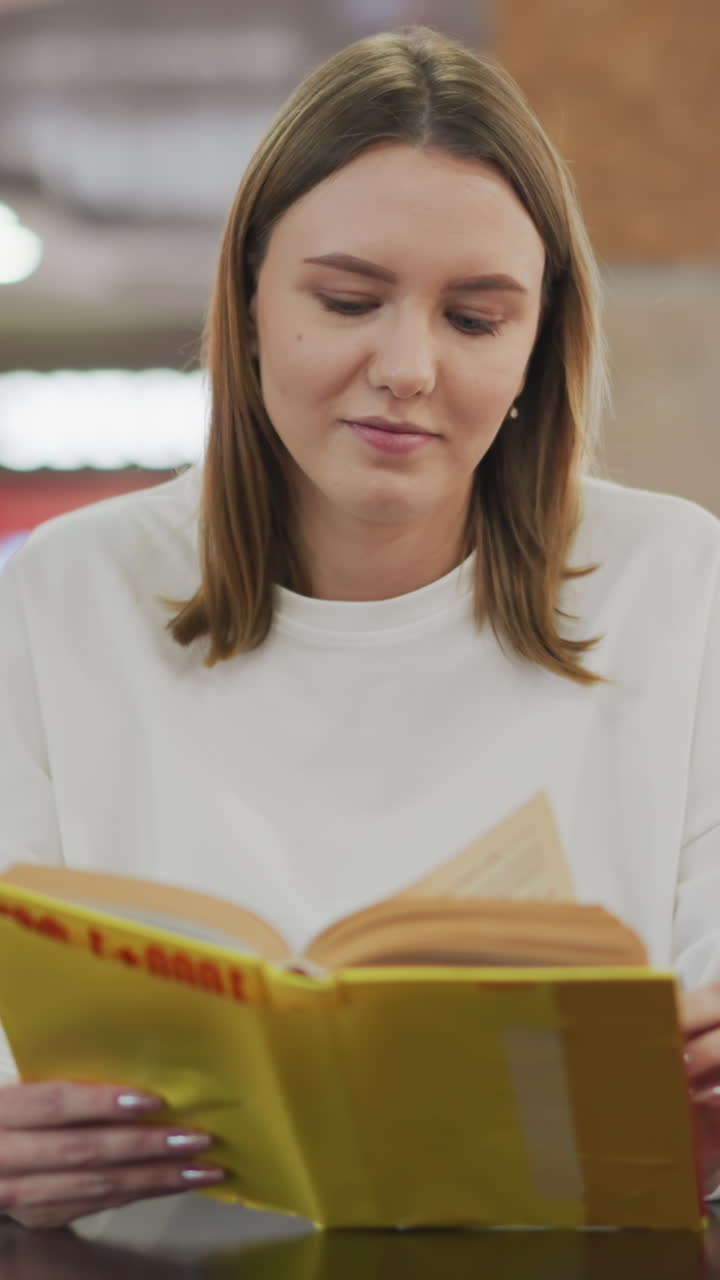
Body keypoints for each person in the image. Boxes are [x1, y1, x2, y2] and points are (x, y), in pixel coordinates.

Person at [0, 24, 718, 1231]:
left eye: (476, 319)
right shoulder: (58, 597)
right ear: (247, 304)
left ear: (540, 346)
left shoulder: (676, 582)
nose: (407, 367)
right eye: (347, 300)